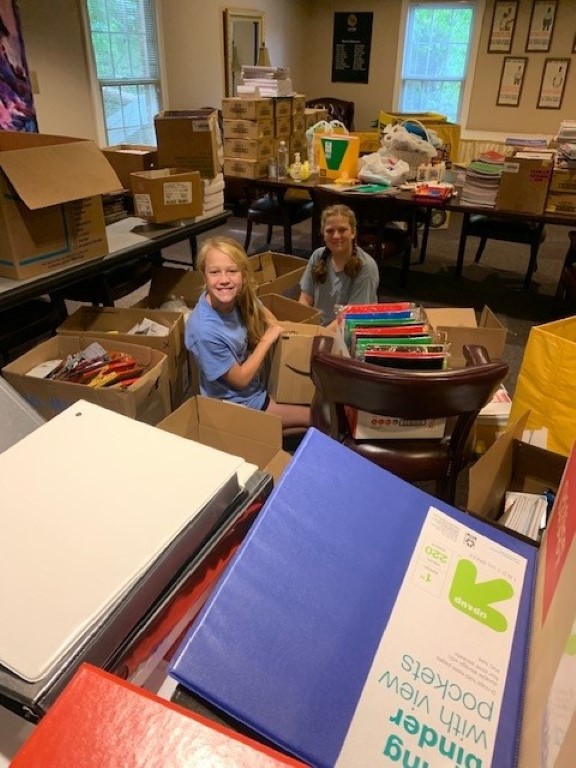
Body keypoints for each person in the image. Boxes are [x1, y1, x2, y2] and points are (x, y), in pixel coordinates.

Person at [185, 236, 310, 431]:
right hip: (240, 403)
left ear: (243, 275)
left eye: (232, 271)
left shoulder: (236, 296)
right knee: (316, 415)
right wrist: (267, 339)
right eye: (215, 272)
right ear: (204, 276)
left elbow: (261, 311)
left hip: (257, 384)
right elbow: (241, 380)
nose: (224, 280)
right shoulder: (204, 331)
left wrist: (274, 326)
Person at [299, 204, 379, 331]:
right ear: (323, 234)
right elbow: (305, 299)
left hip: (348, 332)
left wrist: (319, 336)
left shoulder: (366, 267)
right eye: (330, 231)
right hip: (317, 329)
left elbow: (352, 317)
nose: (336, 236)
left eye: (342, 230)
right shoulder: (318, 256)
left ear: (353, 232)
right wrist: (305, 328)